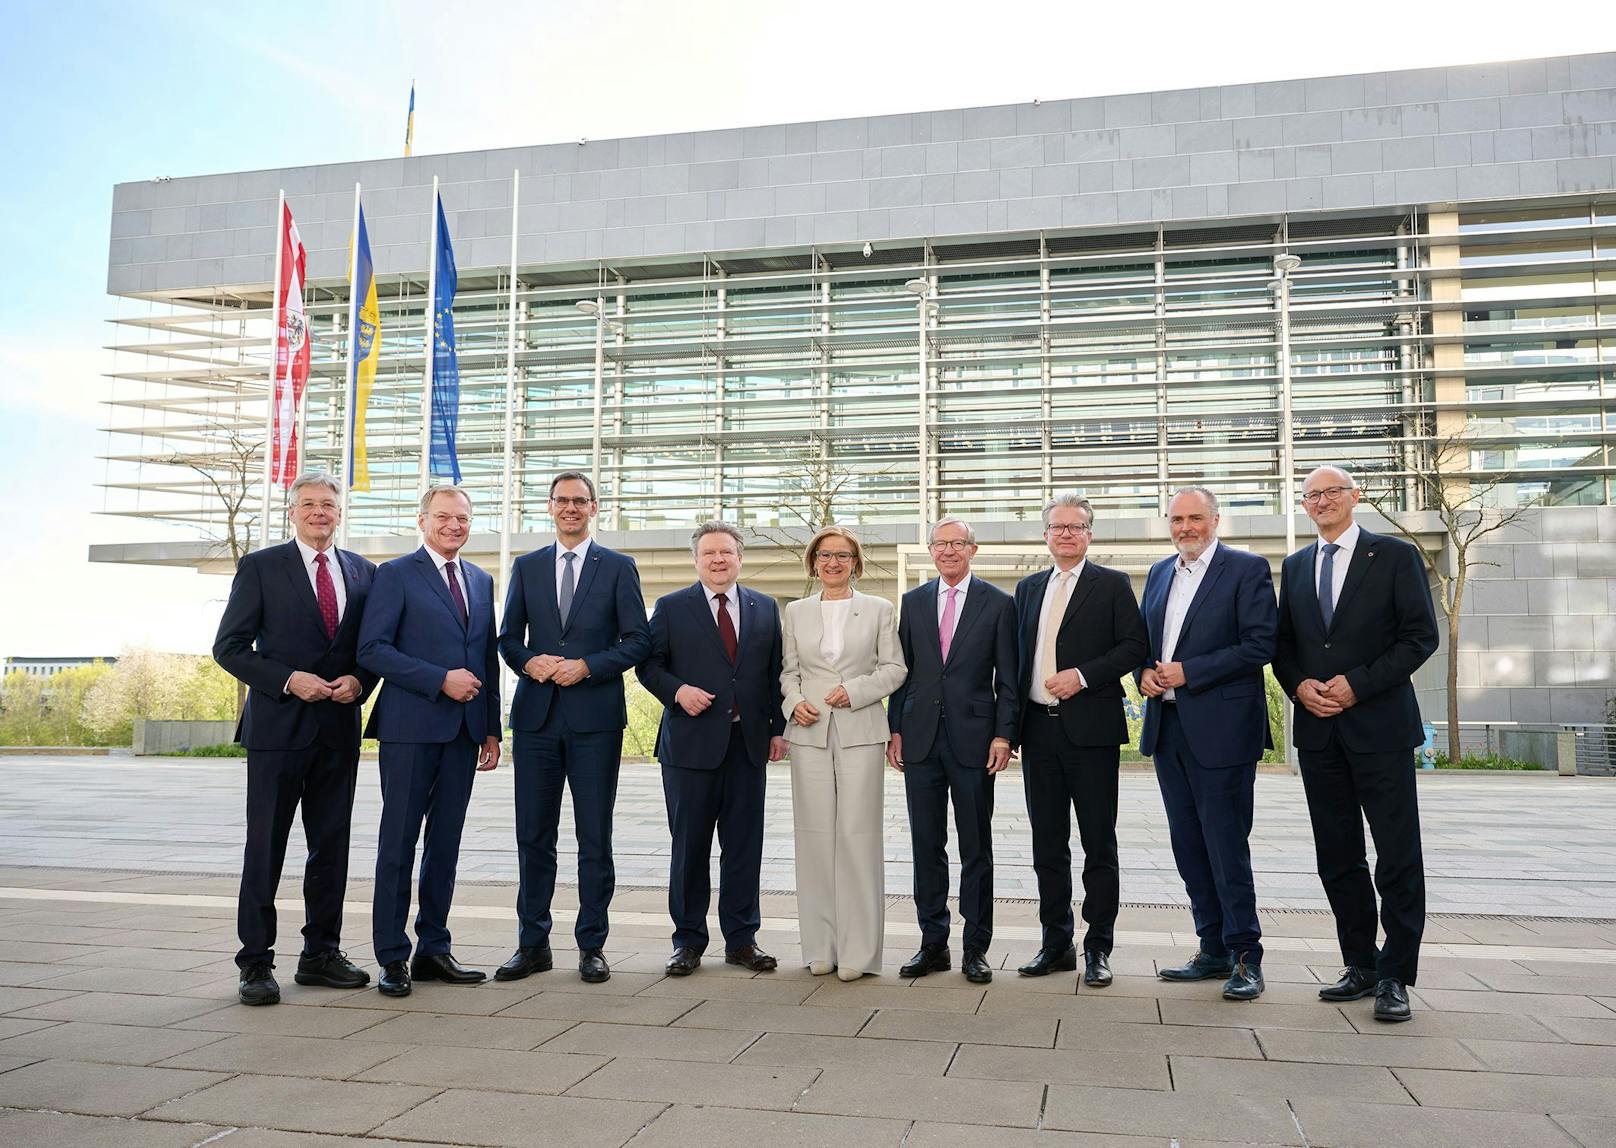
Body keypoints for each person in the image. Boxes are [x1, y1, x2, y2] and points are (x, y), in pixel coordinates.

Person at [1274, 465, 1438, 1023]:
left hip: (1380, 729)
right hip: (1319, 735)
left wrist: (1358, 684)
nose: (1321, 501)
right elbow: (1284, 647)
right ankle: (1360, 963)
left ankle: (1396, 975)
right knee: (1337, 856)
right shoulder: (1296, 567)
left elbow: (1420, 636)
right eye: (1311, 496)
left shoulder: (1392, 556)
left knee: (1396, 856)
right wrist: (1298, 686)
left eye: (1331, 492)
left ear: (1354, 497)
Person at [213, 472, 378, 1006]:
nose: (319, 512)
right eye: (309, 504)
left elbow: (371, 648)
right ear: (293, 511)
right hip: (278, 731)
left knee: (331, 849)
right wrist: (288, 679)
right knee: (266, 848)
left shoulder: (363, 572)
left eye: (328, 504)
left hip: (337, 730)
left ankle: (320, 955)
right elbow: (230, 647)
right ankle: (255, 963)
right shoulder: (260, 567)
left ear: (339, 512)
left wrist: (360, 680)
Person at [496, 471, 650, 985]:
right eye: (561, 500)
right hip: (537, 718)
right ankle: (532, 944)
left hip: (594, 721)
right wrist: (527, 663)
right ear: (549, 506)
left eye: (579, 501)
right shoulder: (528, 566)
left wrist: (588, 665)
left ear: (593, 507)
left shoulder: (619, 567)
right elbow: (507, 638)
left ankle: (592, 945)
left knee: (594, 838)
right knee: (533, 836)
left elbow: (637, 640)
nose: (570, 508)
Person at [357, 484, 502, 998]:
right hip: (410, 730)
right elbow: (373, 649)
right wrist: (438, 678)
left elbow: (484, 656)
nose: (454, 526)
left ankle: (434, 949)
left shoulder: (482, 580)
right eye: (443, 517)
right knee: (397, 844)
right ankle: (392, 956)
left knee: (445, 846)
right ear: (422, 521)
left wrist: (490, 727)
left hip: (463, 733)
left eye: (462, 518)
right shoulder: (395, 575)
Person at [1137, 486, 1277, 1001]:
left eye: (1195, 518)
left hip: (1222, 733)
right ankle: (1212, 947)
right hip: (1169, 730)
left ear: (1216, 519)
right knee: (1188, 846)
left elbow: (1260, 644)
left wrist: (1187, 672)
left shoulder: (1246, 570)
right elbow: (1147, 645)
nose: (1185, 528)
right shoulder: (1159, 573)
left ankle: (1246, 955)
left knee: (1225, 845)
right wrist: (1144, 675)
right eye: (1176, 519)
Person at [636, 522, 789, 976]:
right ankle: (687, 941)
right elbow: (648, 664)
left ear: (740, 558)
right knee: (690, 848)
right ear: (696, 560)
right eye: (709, 553)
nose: (718, 560)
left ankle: (742, 940)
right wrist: (678, 690)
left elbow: (776, 672)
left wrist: (778, 730)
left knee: (744, 847)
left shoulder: (764, 607)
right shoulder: (670, 607)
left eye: (726, 552)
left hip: (748, 747)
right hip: (689, 748)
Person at [1013, 493, 1148, 987]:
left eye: (1076, 526)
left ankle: (1098, 947)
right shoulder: (1028, 589)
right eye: (1057, 526)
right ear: (1045, 534)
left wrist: (1083, 676)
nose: (1066, 533)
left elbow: (1135, 646)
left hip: (1090, 732)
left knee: (1097, 843)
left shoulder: (1111, 584)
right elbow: (1015, 661)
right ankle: (1055, 943)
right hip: (1038, 730)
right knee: (1046, 843)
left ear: (1090, 534)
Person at [887, 516, 1017, 985]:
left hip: (975, 741)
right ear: (930, 550)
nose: (947, 551)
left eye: (956, 544)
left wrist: (1004, 736)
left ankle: (975, 949)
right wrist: (895, 728)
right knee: (926, 845)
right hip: (920, 739)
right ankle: (932, 944)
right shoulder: (914, 601)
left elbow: (1009, 679)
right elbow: (902, 672)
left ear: (972, 550)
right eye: (939, 544)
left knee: (976, 847)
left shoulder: (1000, 604)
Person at [781, 526, 906, 981]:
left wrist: (853, 691)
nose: (833, 563)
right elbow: (787, 673)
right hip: (809, 732)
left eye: (843, 556)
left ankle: (859, 951)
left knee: (858, 837)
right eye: (825, 556)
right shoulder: (795, 611)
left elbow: (895, 669)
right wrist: (794, 703)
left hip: (860, 729)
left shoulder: (878, 609)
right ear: (813, 562)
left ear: (856, 562)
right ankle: (820, 946)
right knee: (813, 838)